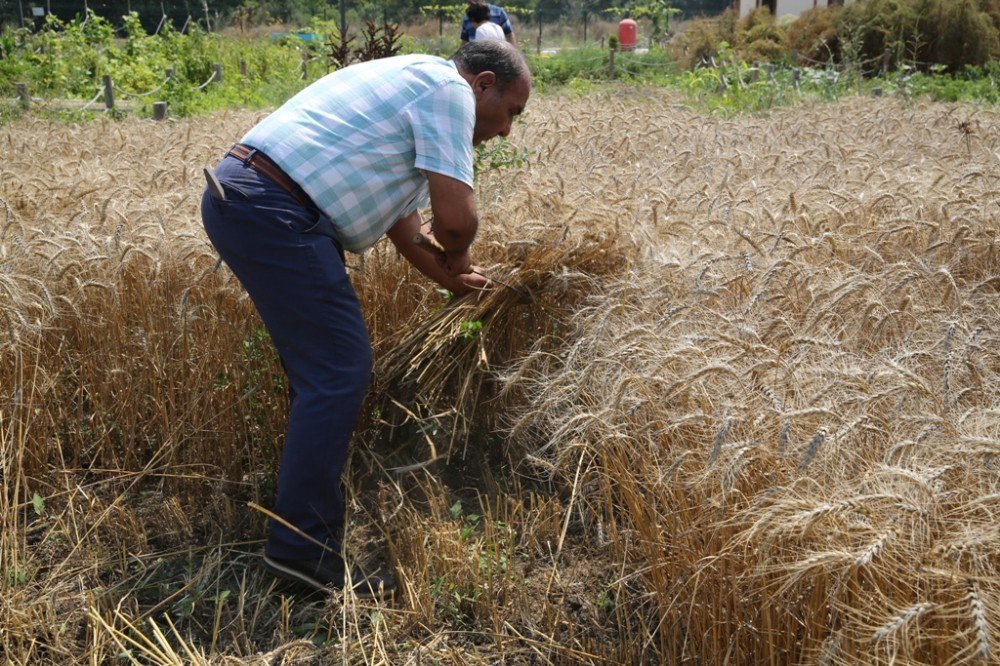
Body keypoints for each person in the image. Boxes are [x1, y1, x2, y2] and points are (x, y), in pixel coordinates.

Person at [200, 40, 531, 598]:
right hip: (277, 208)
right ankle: (302, 554)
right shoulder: (449, 90)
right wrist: (460, 253)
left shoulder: (417, 87)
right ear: (482, 85)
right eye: (510, 112)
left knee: (322, 374)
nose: (505, 131)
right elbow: (455, 221)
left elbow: (406, 222)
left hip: (248, 196)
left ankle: (296, 531)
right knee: (338, 371)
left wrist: (447, 276)